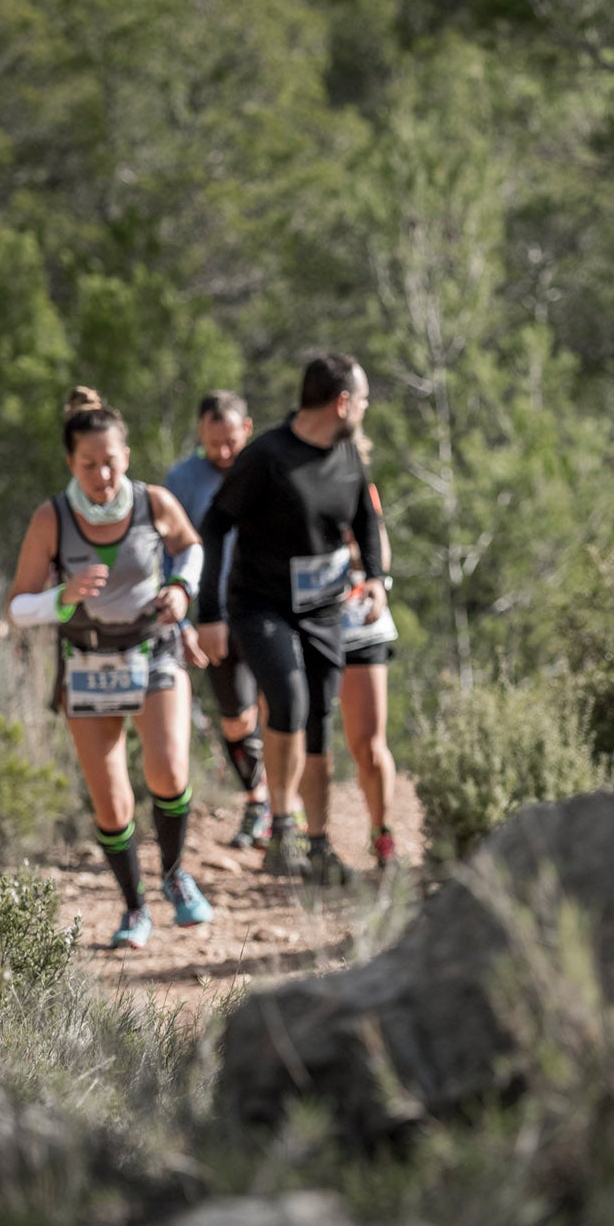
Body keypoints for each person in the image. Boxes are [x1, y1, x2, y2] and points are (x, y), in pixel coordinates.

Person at [5, 387, 216, 948]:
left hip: (153, 647)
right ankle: (133, 908)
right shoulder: (52, 518)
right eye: (88, 464)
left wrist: (181, 588)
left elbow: (190, 547)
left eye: (111, 461)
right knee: (112, 800)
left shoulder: (153, 502)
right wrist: (63, 597)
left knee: (169, 771)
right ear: (70, 463)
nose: (102, 475)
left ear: (127, 454)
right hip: (87, 660)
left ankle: (175, 876)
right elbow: (19, 606)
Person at [196, 354, 385, 885]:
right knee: (289, 698)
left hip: (325, 610)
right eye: (363, 399)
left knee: (319, 716)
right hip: (261, 606)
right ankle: (282, 830)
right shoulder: (267, 457)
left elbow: (366, 518)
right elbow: (214, 525)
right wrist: (209, 614)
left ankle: (318, 843)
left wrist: (374, 577)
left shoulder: (347, 452)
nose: (366, 408)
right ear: (342, 402)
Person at [164, 391, 272, 849]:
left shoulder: (266, 467)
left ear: (247, 428)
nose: (223, 453)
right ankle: (257, 801)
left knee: (282, 708)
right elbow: (169, 552)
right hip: (213, 619)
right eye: (213, 444)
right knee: (235, 719)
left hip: (269, 609)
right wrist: (182, 621)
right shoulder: (182, 480)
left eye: (230, 441)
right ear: (200, 437)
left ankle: (286, 809)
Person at [338, 435, 399, 870]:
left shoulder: (364, 492)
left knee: (369, 744)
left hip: (361, 620)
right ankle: (307, 836)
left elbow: (382, 555)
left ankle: (383, 833)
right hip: (307, 622)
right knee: (306, 736)